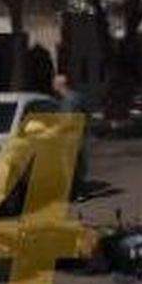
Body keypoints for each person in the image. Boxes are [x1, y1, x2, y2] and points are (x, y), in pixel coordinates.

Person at [53, 74, 89, 202]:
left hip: (69, 137)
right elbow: (87, 114)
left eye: (55, 84)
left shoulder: (68, 101)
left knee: (68, 167)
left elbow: (66, 121)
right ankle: (80, 192)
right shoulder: (78, 97)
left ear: (60, 85)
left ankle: (72, 194)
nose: (53, 86)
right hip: (80, 136)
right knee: (77, 166)